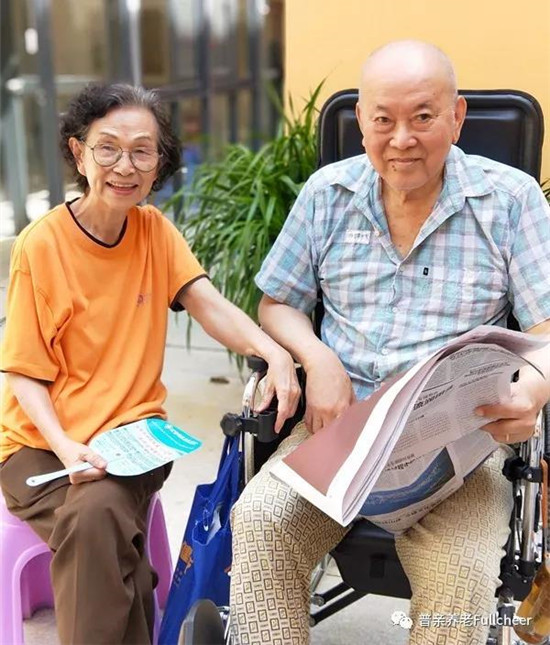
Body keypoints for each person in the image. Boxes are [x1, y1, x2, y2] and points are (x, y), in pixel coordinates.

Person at [229, 40, 550, 645]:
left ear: (456, 117)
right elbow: (278, 303)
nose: (401, 139)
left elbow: (546, 331)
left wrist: (532, 388)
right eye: (383, 120)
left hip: (460, 447)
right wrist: (318, 358)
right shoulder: (327, 193)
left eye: (423, 117)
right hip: (337, 430)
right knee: (261, 524)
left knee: (461, 576)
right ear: (361, 122)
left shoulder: (509, 201)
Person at [0, 82, 300, 645]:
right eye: (108, 148)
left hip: (133, 441)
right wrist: (66, 447)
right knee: (106, 539)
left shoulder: (154, 232)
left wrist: (273, 350)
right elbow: (23, 372)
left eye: (142, 151)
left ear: (159, 162)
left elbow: (208, 305)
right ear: (78, 153)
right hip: (40, 449)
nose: (125, 166)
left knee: (96, 521)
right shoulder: (40, 246)